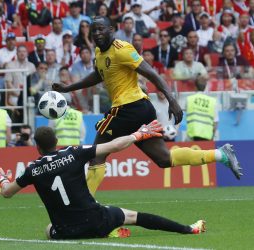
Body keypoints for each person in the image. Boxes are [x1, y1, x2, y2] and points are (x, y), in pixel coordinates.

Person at [52, 16, 242, 197]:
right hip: (139, 110)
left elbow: (152, 73)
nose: (97, 33)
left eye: (101, 29)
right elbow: (98, 75)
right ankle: (220, 154)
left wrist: (171, 99)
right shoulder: (99, 52)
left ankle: (84, 208)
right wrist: (69, 87)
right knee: (164, 159)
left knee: (97, 155)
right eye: (94, 30)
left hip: (127, 109)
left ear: (111, 30)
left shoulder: (122, 49)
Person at [0, 124, 206, 239]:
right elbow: (114, 146)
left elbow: (7, 192)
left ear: (37, 147)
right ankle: (189, 229)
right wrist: (138, 134)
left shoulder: (32, 169)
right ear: (57, 142)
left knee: (48, 229)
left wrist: (4, 181)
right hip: (96, 220)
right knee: (133, 216)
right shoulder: (73, 153)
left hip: (65, 232)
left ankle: (110, 231)